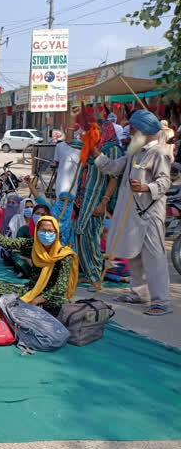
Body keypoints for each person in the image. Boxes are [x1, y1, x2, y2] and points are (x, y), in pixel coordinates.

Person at [93, 110, 172, 316]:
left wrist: (146, 188)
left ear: (144, 130)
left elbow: (164, 182)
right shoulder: (134, 152)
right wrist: (94, 152)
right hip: (132, 213)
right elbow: (113, 168)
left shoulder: (159, 153)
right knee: (135, 254)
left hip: (150, 213)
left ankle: (161, 300)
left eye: (134, 127)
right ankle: (139, 294)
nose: (131, 130)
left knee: (154, 257)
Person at [0, 210, 78, 316]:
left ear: (56, 233)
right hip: (32, 289)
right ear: (37, 231)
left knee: (60, 304)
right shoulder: (34, 245)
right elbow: (6, 242)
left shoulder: (64, 254)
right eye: (43, 230)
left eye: (50, 231)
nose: (46, 234)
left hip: (51, 297)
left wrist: (37, 300)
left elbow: (60, 287)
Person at [74, 121, 122, 290]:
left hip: (97, 199)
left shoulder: (113, 150)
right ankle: (91, 274)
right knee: (82, 236)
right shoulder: (92, 146)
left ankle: (96, 277)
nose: (95, 132)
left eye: (99, 129)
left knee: (91, 237)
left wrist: (104, 203)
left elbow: (114, 179)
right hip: (84, 198)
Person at [54, 125, 82, 197]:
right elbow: (57, 162)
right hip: (62, 180)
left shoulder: (81, 147)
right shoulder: (59, 146)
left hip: (75, 181)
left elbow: (56, 162)